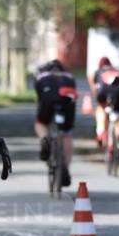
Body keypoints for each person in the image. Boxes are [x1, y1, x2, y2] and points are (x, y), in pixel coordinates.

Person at [34, 59, 77, 187]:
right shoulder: (69, 76)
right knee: (67, 133)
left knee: (41, 122)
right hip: (67, 102)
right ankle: (66, 167)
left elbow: (40, 99)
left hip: (48, 99)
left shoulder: (41, 76)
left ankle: (44, 139)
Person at [90, 57, 119, 164]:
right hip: (118, 97)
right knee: (118, 121)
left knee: (100, 109)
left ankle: (101, 132)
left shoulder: (98, 72)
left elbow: (94, 88)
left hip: (103, 95)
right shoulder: (116, 72)